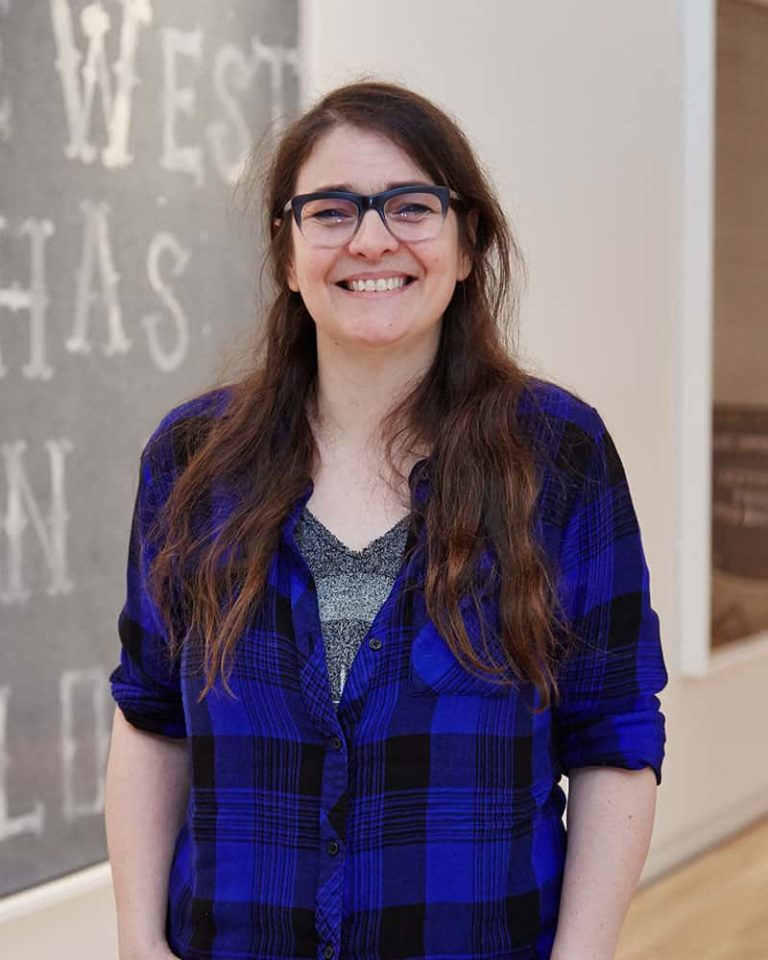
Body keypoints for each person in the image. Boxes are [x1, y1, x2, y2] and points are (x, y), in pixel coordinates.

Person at [104, 79, 668, 960]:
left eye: (411, 205)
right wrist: (140, 944)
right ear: (288, 255)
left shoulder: (558, 454)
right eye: (330, 211)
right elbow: (150, 716)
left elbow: (614, 736)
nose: (371, 238)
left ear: (467, 241)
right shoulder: (192, 460)